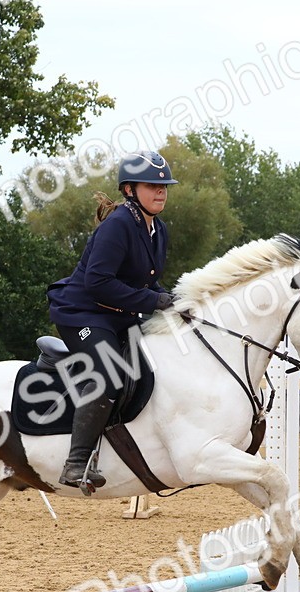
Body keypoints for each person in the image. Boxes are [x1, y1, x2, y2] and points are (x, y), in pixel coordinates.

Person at [45, 150, 178, 489]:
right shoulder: (118, 225)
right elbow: (99, 283)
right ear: (129, 189)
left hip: (119, 315)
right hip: (83, 313)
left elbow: (145, 282)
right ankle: (75, 464)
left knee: (155, 363)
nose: (161, 191)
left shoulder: (157, 229)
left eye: (164, 186)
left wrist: (174, 301)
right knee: (108, 375)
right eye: (152, 186)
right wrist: (154, 300)